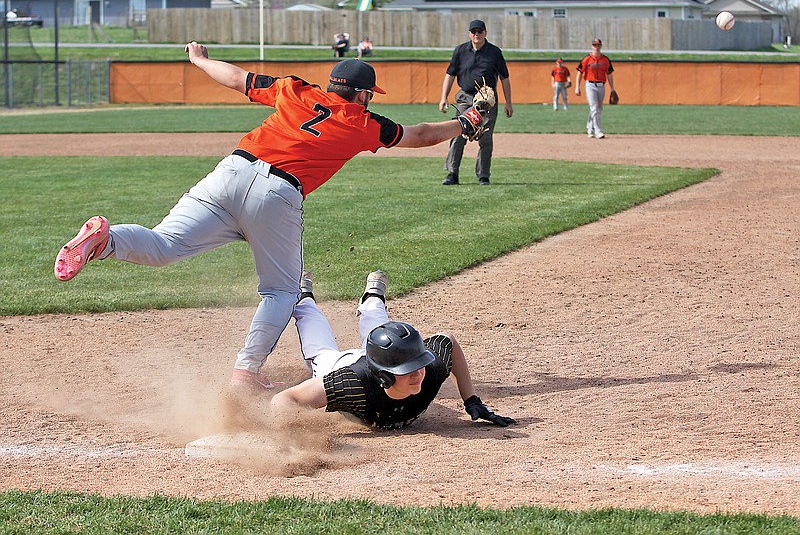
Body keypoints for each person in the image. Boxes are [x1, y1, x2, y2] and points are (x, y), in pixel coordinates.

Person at [53, 44, 488, 392]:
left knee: (164, 244)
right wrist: (464, 121)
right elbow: (421, 135)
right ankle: (245, 373)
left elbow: (237, 78)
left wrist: (201, 61)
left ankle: (105, 242)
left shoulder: (295, 90)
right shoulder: (361, 121)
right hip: (277, 192)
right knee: (282, 290)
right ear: (361, 94)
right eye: (368, 93)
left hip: (230, 171)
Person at [271, 270, 516, 430]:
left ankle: (372, 297)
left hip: (383, 357)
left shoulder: (428, 369)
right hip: (341, 364)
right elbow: (284, 400)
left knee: (385, 334)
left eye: (417, 365)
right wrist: (300, 437)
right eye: (407, 370)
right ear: (384, 377)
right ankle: (303, 297)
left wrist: (471, 398)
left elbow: (448, 341)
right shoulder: (349, 384)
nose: (418, 373)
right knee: (320, 351)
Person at [439, 19, 513, 186]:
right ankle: (452, 173)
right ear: (469, 33)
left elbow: (504, 78)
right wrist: (444, 97)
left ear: (485, 33)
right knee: (458, 134)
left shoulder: (494, 52)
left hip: (487, 100)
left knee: (485, 137)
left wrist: (509, 103)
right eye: (474, 31)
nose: (476, 34)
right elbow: (450, 74)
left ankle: (483, 175)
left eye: (480, 31)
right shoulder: (460, 51)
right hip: (464, 97)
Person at [575, 38, 616, 139]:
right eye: (594, 45)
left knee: (599, 108)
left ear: (601, 46)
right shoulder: (587, 59)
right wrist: (577, 87)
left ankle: (589, 128)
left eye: (598, 45)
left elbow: (609, 74)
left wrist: (612, 89)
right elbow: (579, 72)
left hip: (601, 85)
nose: (596, 47)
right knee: (594, 108)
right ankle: (598, 131)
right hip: (590, 85)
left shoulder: (605, 59)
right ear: (591, 46)